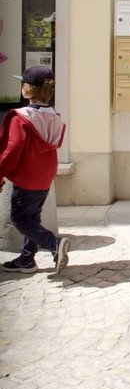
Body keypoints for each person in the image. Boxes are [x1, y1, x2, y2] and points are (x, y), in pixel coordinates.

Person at [0, 65, 70, 275]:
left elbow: (10, 151)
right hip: (45, 177)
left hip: (27, 177)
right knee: (33, 217)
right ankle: (26, 259)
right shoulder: (53, 117)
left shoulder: (20, 118)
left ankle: (54, 244)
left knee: (20, 219)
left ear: (28, 89)